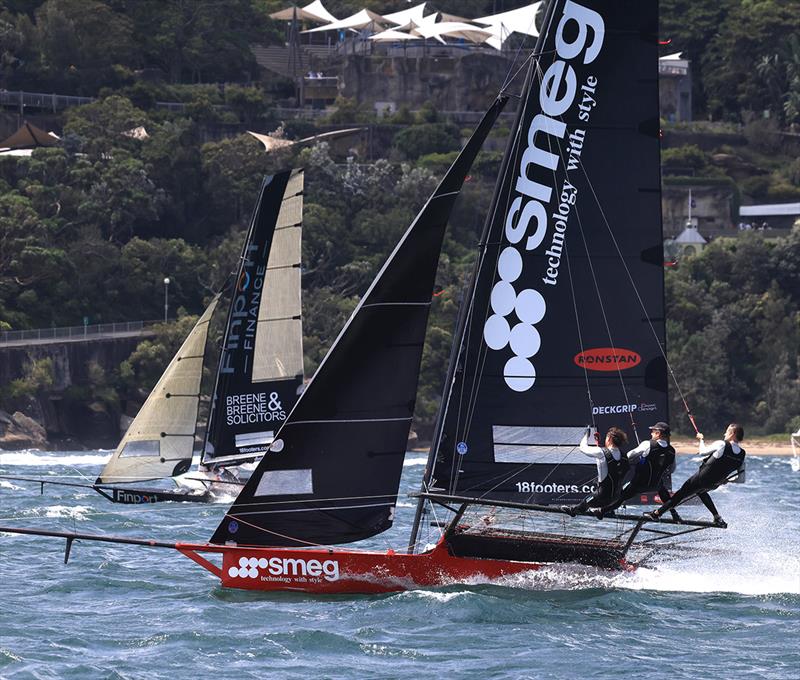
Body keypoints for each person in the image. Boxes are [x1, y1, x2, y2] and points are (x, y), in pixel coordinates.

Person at [644, 423, 746, 526]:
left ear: (732, 433)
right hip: (713, 485)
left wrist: (701, 440)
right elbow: (741, 479)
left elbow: (702, 452)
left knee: (679, 495)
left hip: (701, 479)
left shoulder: (722, 444)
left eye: (727, 431)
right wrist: (728, 480)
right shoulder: (742, 454)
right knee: (701, 491)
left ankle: (656, 514)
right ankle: (717, 517)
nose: (724, 433)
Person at [598, 422, 680, 520]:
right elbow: (672, 469)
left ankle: (603, 511)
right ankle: (675, 515)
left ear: (658, 434)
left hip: (639, 484)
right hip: (655, 485)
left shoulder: (647, 444)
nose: (651, 434)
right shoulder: (672, 451)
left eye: (653, 431)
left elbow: (629, 456)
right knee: (662, 489)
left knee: (622, 497)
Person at [562, 426, 629, 517]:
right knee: (604, 497)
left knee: (584, 504)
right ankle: (603, 511)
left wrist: (586, 435)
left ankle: (573, 511)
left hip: (600, 497)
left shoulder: (601, 452)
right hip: (616, 499)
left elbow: (583, 448)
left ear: (609, 439)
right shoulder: (625, 456)